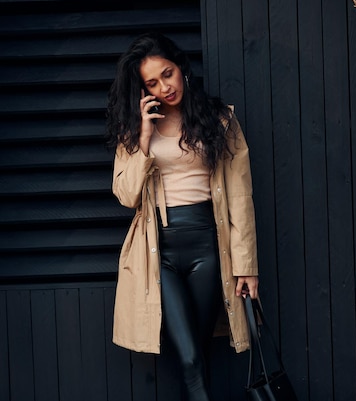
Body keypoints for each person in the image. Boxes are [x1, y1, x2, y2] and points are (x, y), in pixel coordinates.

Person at [106, 33, 259, 401]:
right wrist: (143, 137)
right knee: (190, 359)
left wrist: (247, 266)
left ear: (182, 68)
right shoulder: (135, 131)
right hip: (158, 251)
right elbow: (127, 195)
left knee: (200, 354)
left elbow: (240, 196)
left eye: (168, 74)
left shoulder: (220, 121)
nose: (164, 87)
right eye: (152, 83)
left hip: (209, 247)